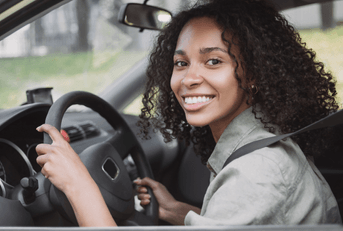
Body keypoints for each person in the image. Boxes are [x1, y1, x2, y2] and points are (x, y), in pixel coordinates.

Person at [36, 0, 341, 227]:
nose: (188, 79)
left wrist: (78, 184)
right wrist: (180, 213)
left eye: (213, 62)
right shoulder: (263, 144)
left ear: (254, 75)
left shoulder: (255, 173)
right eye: (181, 63)